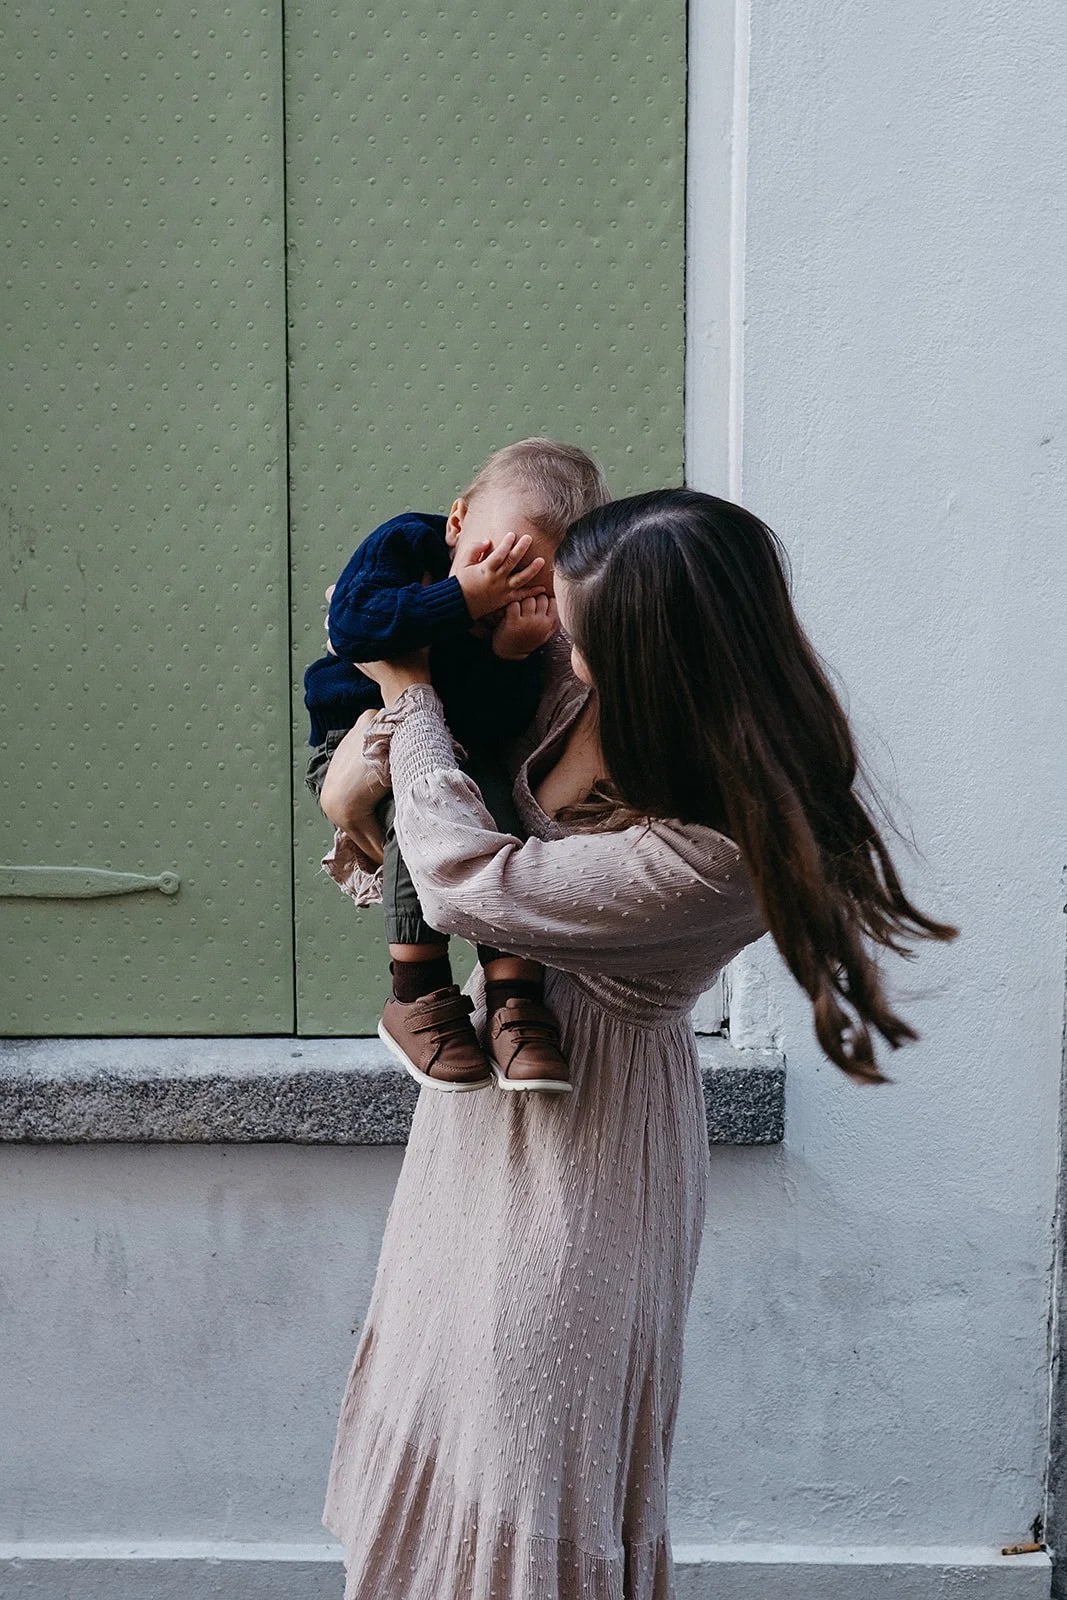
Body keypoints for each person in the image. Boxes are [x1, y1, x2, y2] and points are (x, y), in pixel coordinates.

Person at [321, 488, 957, 1600]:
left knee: (529, 1448)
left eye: (577, 628)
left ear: (659, 655)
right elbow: (413, 809)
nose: (554, 639)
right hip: (483, 1105)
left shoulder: (719, 850)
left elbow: (475, 879)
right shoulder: (583, 695)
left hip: (587, 1140)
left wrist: (407, 686)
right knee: (445, 1407)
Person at [307, 438, 610, 1093]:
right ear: (455, 522)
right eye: (486, 563)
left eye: (531, 588)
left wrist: (510, 652)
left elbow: (499, 721)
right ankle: (414, 993)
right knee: (422, 821)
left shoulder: (530, 626)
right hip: (364, 734)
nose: (501, 591)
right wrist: (463, 598)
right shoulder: (405, 548)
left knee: (503, 826)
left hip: (468, 746)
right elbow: (355, 627)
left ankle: (514, 1001)